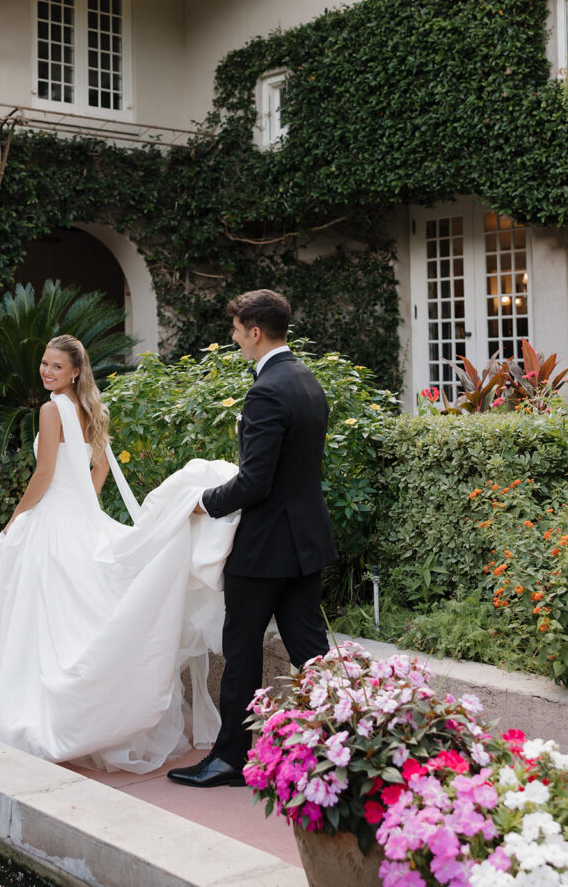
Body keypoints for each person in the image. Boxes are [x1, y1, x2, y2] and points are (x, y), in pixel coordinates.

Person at [0, 334, 240, 773]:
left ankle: (28, 708)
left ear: (74, 371)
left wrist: (16, 516)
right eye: (44, 364)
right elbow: (99, 467)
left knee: (32, 616)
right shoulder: (88, 408)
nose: (47, 372)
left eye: (56, 366)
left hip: (52, 520)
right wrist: (83, 506)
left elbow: (45, 473)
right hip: (76, 519)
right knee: (62, 615)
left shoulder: (52, 410)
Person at [168, 289, 338, 788]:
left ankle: (230, 760)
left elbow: (255, 482)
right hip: (305, 542)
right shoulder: (306, 380)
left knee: (240, 651)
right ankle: (343, 744)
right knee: (311, 653)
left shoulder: (267, 389)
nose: (234, 336)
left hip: (264, 548)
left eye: (237, 329)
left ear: (255, 331)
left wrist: (203, 501)